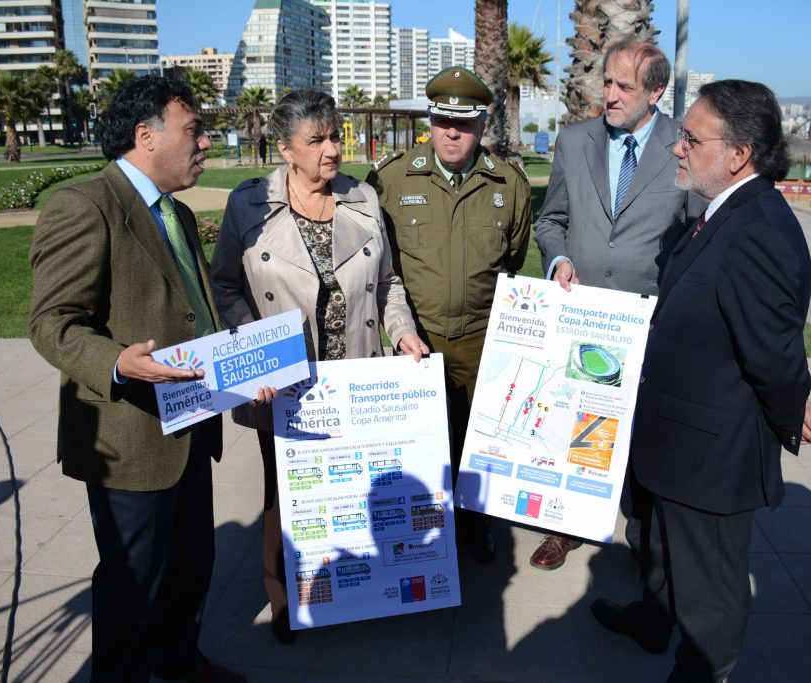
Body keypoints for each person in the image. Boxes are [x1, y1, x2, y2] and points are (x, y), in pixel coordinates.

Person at [589, 79, 811, 682]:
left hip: (712, 455)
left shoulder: (759, 230)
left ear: (739, 154)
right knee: (664, 556)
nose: (676, 148)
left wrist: (791, 408)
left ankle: (703, 670)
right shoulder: (723, 212)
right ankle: (653, 620)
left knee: (711, 591)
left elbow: (772, 352)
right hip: (676, 440)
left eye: (691, 139)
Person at [28, 75, 244, 682]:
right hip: (131, 436)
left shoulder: (172, 211)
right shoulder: (86, 205)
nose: (206, 141)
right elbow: (52, 324)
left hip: (191, 422)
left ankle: (177, 662)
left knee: (191, 563)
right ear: (145, 136)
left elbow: (192, 309)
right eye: (194, 129)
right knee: (131, 581)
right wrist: (118, 363)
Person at [210, 89, 427, 645]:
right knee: (284, 493)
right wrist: (254, 351)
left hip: (354, 379)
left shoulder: (362, 199)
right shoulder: (247, 205)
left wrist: (401, 333)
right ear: (285, 148)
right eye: (318, 140)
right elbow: (225, 286)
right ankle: (283, 593)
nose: (333, 149)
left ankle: (351, 587)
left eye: (336, 136)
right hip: (284, 386)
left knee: (350, 488)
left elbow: (389, 284)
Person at [531, 38, 706, 571]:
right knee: (576, 429)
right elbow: (550, 220)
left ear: (655, 92)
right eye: (606, 82)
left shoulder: (685, 143)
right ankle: (565, 527)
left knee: (642, 438)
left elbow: (700, 233)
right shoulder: (575, 140)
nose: (608, 95)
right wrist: (558, 260)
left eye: (623, 87)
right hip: (581, 317)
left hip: (651, 323)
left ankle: (642, 540)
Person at [367, 66, 531, 562]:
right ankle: (420, 538)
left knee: (480, 444)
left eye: (464, 123)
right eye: (442, 121)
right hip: (414, 338)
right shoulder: (391, 180)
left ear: (483, 125)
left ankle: (475, 528)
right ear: (430, 122)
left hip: (481, 340)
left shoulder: (509, 184)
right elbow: (379, 260)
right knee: (419, 445)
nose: (452, 132)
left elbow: (514, 257)